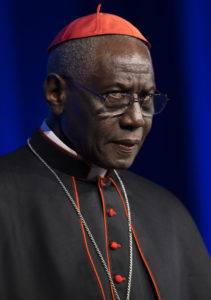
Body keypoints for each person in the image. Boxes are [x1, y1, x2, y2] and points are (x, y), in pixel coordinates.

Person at [0, 5, 210, 300]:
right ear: (56, 93)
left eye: (146, 98)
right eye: (115, 95)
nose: (136, 118)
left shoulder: (168, 210)